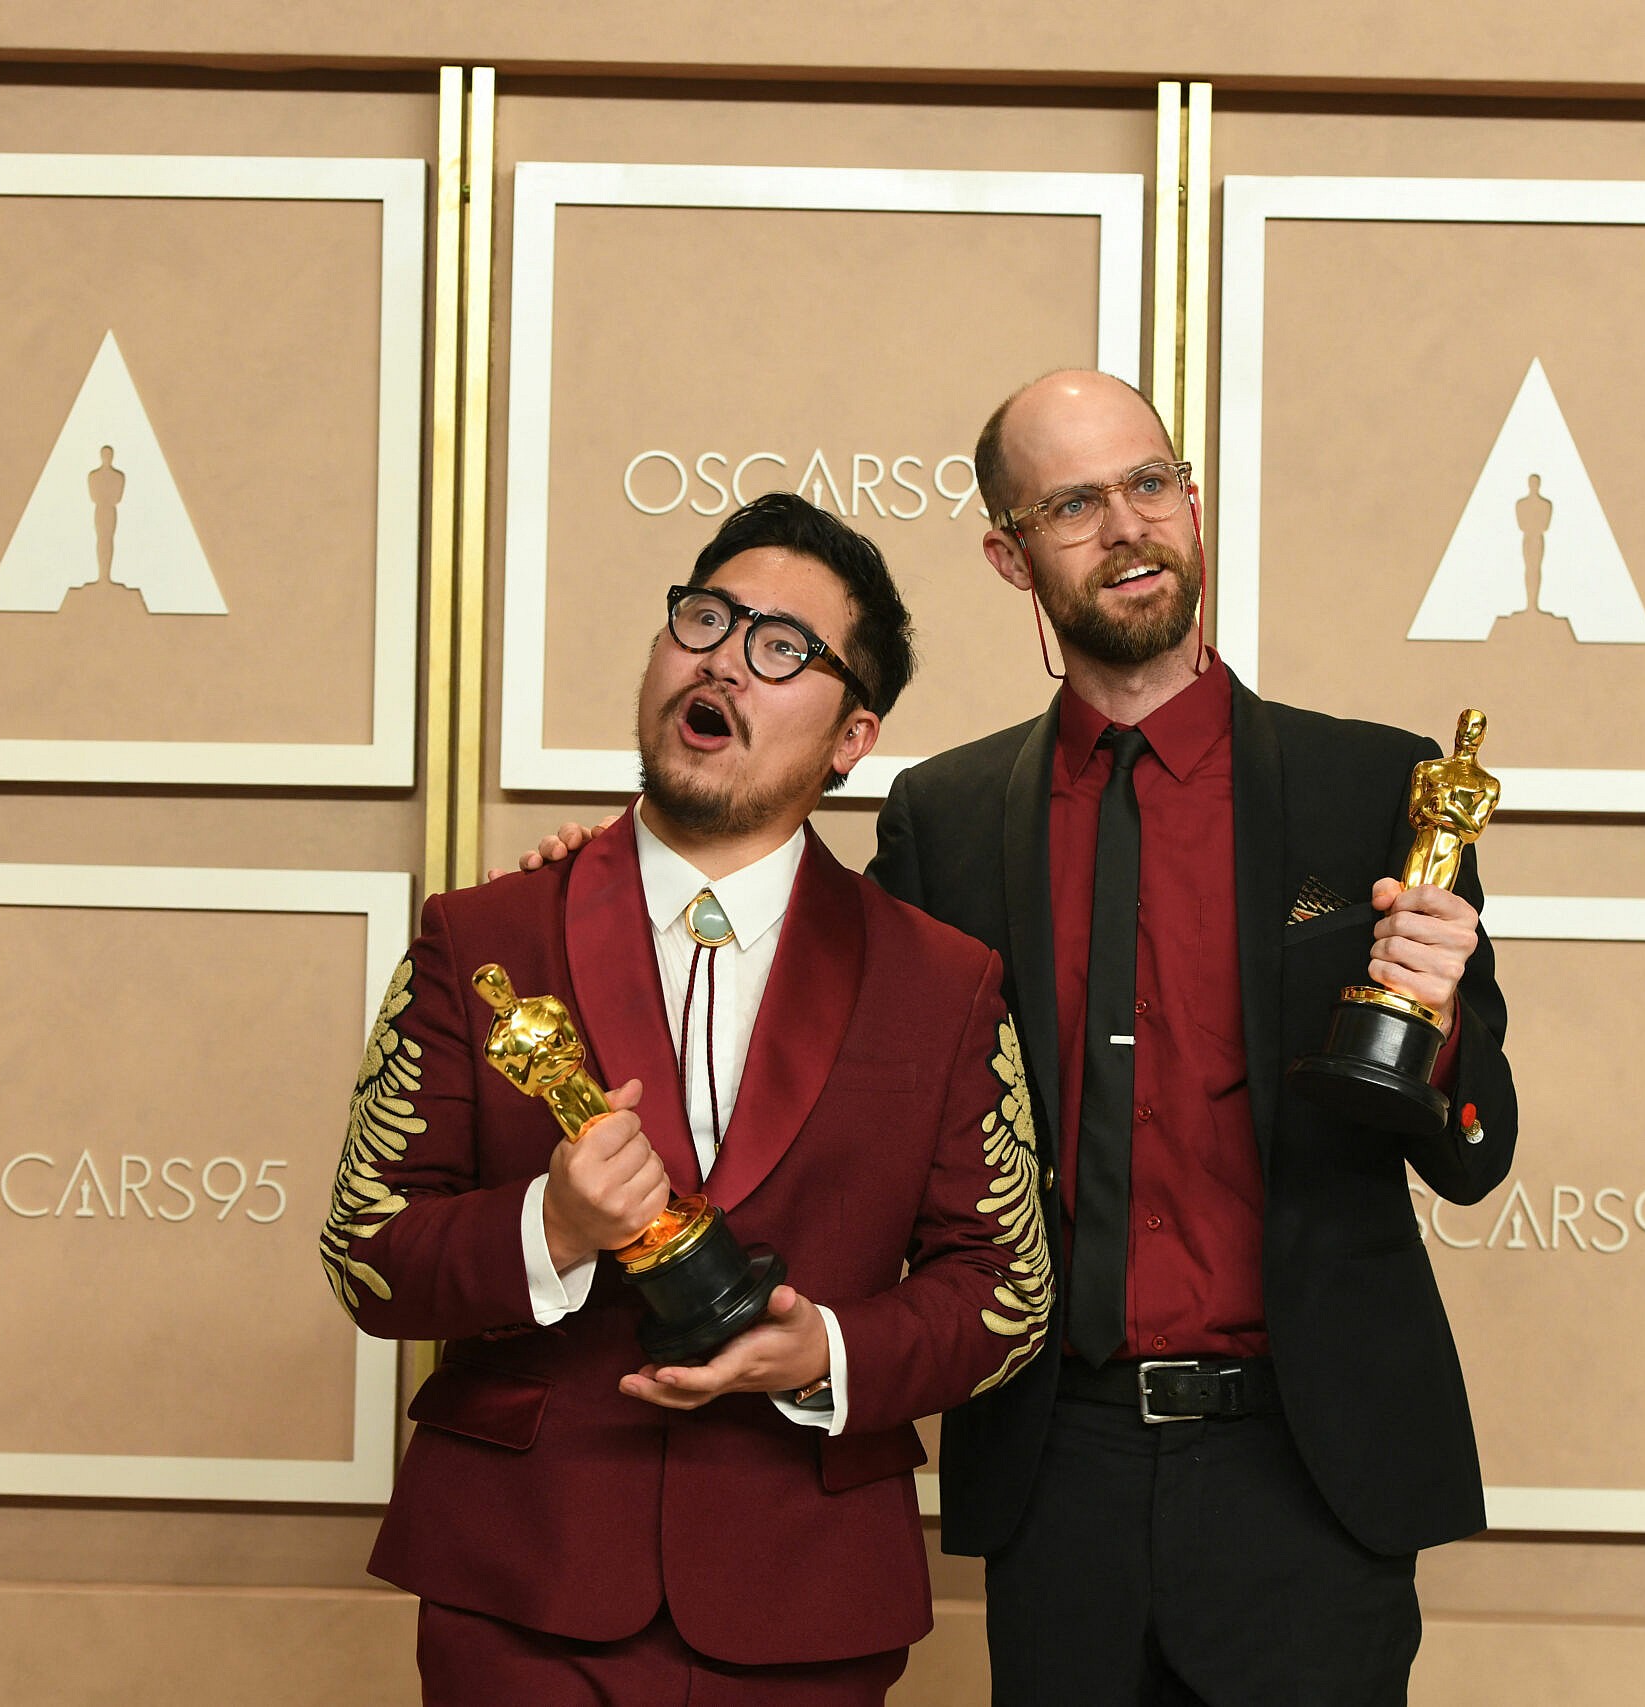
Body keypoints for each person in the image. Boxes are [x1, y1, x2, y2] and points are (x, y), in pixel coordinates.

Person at [514, 371, 1517, 1705]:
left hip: (1309, 1469)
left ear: (1193, 502)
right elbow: (803, 999)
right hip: (1058, 1468)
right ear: (1010, 551)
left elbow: (1475, 1146)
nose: (1129, 527)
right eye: (1075, 503)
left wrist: (1441, 1025)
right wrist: (624, 875)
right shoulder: (947, 815)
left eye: (1151, 483)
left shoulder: (1374, 787)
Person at [324, 492, 1051, 1706]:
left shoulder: (943, 981)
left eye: (781, 649)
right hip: (521, 1587)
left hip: (807, 1598)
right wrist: (548, 1228)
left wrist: (823, 1348)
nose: (721, 658)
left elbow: (1005, 1291)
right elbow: (367, 1251)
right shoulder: (481, 937)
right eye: (703, 620)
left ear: (851, 736)